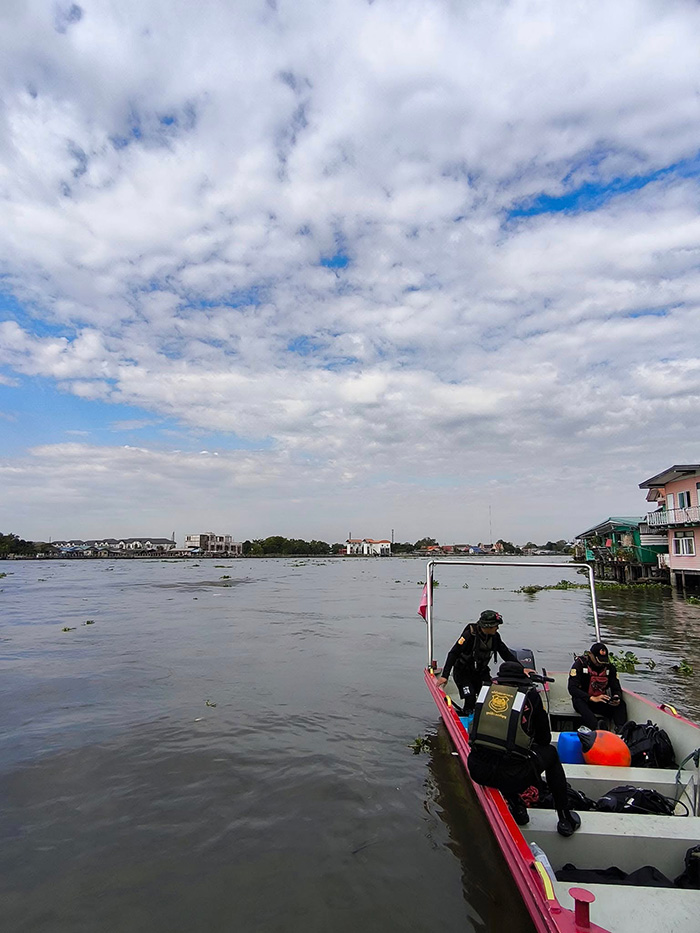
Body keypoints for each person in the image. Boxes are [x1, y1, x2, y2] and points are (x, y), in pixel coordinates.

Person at [467, 661, 582, 837]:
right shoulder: (531, 696)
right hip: (512, 776)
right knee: (549, 754)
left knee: (503, 752)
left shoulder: (485, 692)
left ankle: (516, 805)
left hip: (477, 769)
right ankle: (565, 817)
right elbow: (544, 739)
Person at [436, 609, 516, 712]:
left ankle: (485, 717)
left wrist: (522, 669)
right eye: (496, 626)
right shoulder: (469, 635)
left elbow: (505, 653)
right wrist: (444, 676)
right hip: (463, 672)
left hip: (480, 672)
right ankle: (467, 717)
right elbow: (453, 653)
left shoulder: (495, 637)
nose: (497, 628)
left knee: (490, 695)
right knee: (470, 697)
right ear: (487, 627)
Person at [568, 642, 628, 731]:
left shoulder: (609, 668)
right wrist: (591, 698)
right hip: (584, 700)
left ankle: (621, 730)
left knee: (621, 704)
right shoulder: (580, 665)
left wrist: (616, 696)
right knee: (578, 700)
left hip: (600, 700)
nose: (600, 664)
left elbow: (616, 687)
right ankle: (596, 726)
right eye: (598, 661)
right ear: (590, 655)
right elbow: (572, 688)